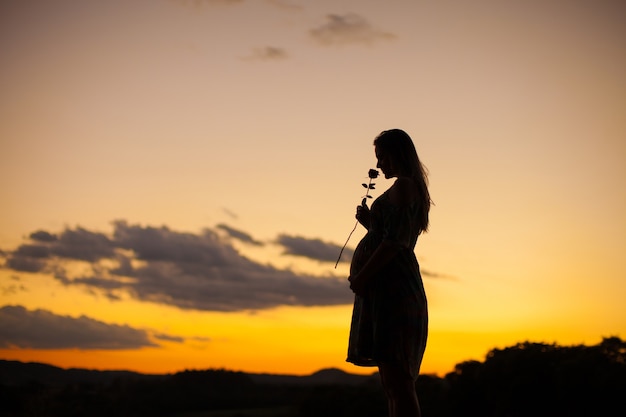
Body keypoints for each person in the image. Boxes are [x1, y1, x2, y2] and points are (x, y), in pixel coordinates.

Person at [347, 129, 431, 417]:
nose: (380, 164)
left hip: (394, 291)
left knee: (399, 382)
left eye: (382, 157)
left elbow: (395, 244)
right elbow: (392, 234)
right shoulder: (405, 187)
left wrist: (362, 277)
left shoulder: (405, 186)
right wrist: (371, 223)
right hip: (385, 291)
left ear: (397, 154)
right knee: (392, 384)